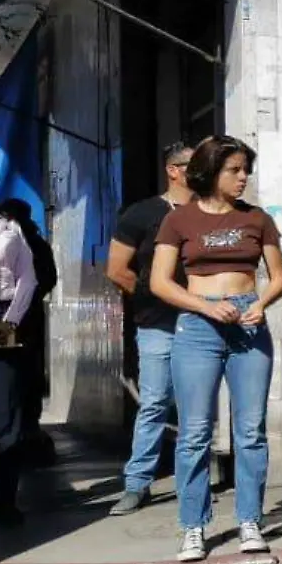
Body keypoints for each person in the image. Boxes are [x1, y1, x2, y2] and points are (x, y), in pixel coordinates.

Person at [149, 136, 282, 563]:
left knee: (250, 431)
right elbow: (160, 282)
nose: (244, 177)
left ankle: (250, 520)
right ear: (211, 171)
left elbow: (278, 277)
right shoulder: (178, 220)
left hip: (248, 324)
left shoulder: (258, 218)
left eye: (246, 169)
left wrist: (260, 305)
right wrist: (205, 306)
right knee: (194, 433)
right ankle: (193, 526)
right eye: (235, 170)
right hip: (198, 325)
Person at [105, 142, 193, 516]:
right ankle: (137, 483)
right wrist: (155, 296)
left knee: (197, 405)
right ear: (172, 170)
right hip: (157, 324)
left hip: (203, 321)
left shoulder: (210, 212)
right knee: (156, 402)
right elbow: (117, 269)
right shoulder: (142, 213)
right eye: (192, 164)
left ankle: (195, 480)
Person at [0, 160, 37, 529]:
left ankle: (5, 503)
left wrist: (7, 324)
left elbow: (29, 279)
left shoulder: (8, 224)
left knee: (6, 413)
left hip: (5, 315)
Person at [1, 198, 55, 462]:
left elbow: (45, 279)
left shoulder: (32, 243)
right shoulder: (12, 241)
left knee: (24, 372)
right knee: (13, 371)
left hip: (22, 320)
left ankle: (25, 430)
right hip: (12, 320)